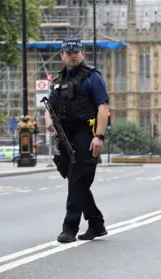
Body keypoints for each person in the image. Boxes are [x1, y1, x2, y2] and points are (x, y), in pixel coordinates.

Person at [44, 37, 109, 243]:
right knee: (75, 180)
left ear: (82, 54)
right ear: (62, 55)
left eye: (77, 52)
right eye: (69, 53)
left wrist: (99, 136)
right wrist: (48, 121)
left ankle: (69, 227)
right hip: (65, 135)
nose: (73, 56)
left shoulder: (92, 77)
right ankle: (96, 223)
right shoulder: (57, 80)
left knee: (78, 180)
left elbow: (103, 107)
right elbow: (49, 107)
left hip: (86, 134)